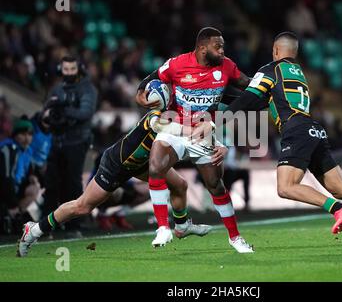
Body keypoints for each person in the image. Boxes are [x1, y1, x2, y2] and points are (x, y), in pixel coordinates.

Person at [193, 32, 342, 251]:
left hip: (296, 130)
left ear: (276, 51)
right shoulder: (297, 73)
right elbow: (259, 102)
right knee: (341, 187)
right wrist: (220, 102)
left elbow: (249, 99)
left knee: (286, 187)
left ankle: (337, 209)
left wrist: (213, 122)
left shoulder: (271, 69)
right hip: (313, 129)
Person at [17, 109, 216, 257]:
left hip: (141, 164)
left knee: (180, 185)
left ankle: (181, 227)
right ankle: (34, 230)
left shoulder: (178, 115)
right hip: (116, 164)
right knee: (82, 206)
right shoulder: (154, 116)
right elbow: (164, 127)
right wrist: (197, 129)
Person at [136, 27, 254, 253]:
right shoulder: (177, 64)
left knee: (215, 186)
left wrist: (267, 86)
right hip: (175, 126)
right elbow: (150, 79)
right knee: (155, 166)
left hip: (203, 133)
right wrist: (140, 94)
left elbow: (248, 88)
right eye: (217, 46)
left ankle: (235, 237)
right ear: (202, 48)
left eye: (223, 46)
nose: (222, 50)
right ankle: (163, 227)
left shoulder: (227, 66)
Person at [41, 56, 98, 237]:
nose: (69, 73)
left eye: (72, 69)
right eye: (65, 70)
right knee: (51, 184)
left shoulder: (87, 89)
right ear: (60, 70)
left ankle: (73, 225)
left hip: (77, 142)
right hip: (57, 141)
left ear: (78, 69)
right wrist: (49, 114)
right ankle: (46, 225)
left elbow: (86, 113)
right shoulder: (56, 89)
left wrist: (63, 110)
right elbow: (46, 113)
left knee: (72, 183)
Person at [0, 117, 41, 234]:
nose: (27, 138)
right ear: (15, 135)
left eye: (29, 134)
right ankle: (11, 213)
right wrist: (12, 204)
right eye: (23, 134)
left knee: (34, 188)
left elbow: (28, 171)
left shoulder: (27, 151)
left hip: (13, 190)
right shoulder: (8, 148)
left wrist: (31, 177)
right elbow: (5, 178)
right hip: (4, 191)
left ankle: (15, 215)